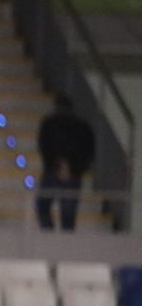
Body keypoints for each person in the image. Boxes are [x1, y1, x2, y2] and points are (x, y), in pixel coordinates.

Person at [36, 95, 96, 231]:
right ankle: (65, 245)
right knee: (68, 216)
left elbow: (43, 147)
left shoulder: (49, 123)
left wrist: (56, 166)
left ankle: (49, 235)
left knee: (43, 206)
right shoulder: (83, 127)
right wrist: (74, 168)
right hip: (73, 174)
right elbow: (88, 152)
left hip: (53, 171)